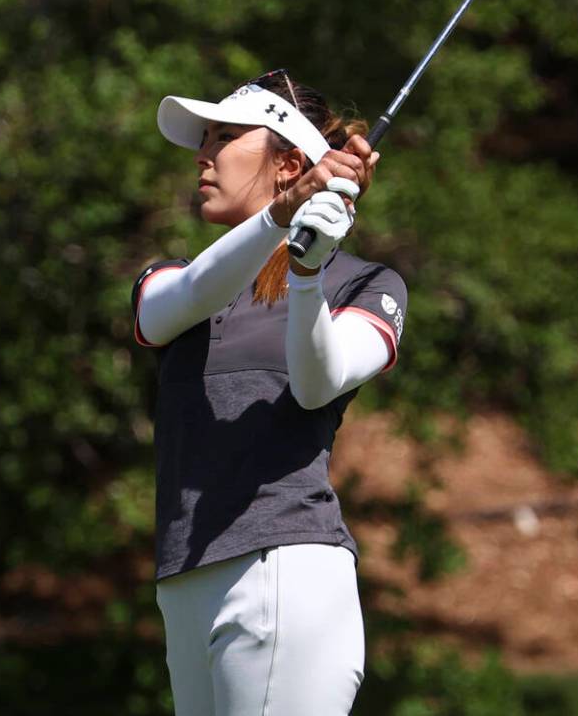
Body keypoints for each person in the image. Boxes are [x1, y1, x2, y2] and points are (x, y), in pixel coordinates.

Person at [131, 69, 408, 716]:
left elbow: (316, 386)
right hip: (184, 584)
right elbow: (185, 298)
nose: (203, 154)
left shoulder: (366, 283)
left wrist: (307, 277)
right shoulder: (173, 278)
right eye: (205, 139)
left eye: (225, 137)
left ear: (288, 162)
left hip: (278, 568)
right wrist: (281, 217)